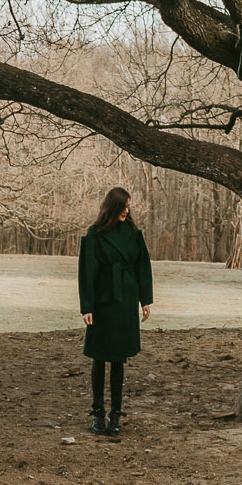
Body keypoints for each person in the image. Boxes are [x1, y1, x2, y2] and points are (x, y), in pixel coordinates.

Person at [78, 186, 154, 439]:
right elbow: (87, 273)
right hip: (102, 300)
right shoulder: (95, 234)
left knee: (119, 359)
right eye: (123, 206)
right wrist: (87, 307)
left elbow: (143, 266)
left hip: (125, 300)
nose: (126, 210)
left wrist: (145, 300)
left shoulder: (134, 233)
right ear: (113, 207)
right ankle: (98, 413)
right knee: (99, 357)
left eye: (128, 206)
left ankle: (116, 413)